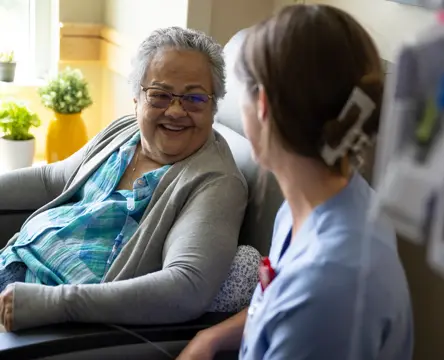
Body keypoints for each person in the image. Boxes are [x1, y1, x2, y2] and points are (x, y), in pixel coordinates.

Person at [177, 4, 413, 360]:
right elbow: (276, 306)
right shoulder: (313, 204)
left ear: (263, 108)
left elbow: (305, 303)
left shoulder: (332, 282)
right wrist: (211, 338)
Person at [0, 27, 249, 332]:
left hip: (45, 313)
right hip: (15, 265)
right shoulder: (125, 132)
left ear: (214, 104)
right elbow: (52, 179)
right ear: (137, 97)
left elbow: (186, 286)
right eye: (160, 95)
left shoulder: (216, 182)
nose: (174, 111)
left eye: (194, 98)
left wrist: (53, 303)